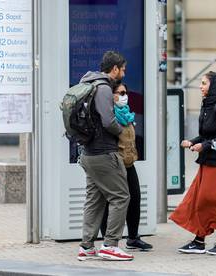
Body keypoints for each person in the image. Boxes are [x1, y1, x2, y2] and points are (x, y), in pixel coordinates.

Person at [169, 71, 216, 256]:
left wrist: (203, 146)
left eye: (204, 83)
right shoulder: (207, 106)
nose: (201, 86)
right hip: (208, 160)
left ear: (215, 87)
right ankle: (199, 241)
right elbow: (208, 134)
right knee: (200, 199)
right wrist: (192, 142)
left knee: (215, 200)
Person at [77, 51, 133, 261]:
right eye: (123, 69)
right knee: (121, 196)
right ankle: (110, 245)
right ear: (115, 68)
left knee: (95, 199)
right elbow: (108, 121)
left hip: (89, 153)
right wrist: (122, 132)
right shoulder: (103, 88)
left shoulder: (88, 82)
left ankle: (87, 246)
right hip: (103, 152)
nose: (124, 73)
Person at [99, 82, 153, 251]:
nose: (124, 96)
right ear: (111, 95)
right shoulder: (108, 116)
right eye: (120, 93)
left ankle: (133, 238)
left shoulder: (127, 114)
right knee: (110, 202)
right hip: (115, 164)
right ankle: (107, 240)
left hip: (129, 162)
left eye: (125, 92)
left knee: (135, 198)